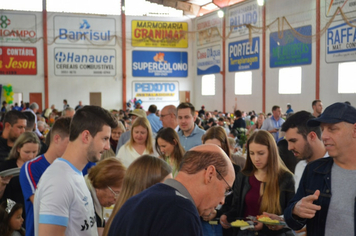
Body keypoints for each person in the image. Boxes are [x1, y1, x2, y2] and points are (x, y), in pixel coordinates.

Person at [107, 144, 235, 236]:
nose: (222, 201)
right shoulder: (181, 212)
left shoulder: (137, 200)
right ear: (210, 174)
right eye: (226, 189)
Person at [33, 105, 117, 236]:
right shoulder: (59, 181)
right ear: (86, 136)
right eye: (105, 139)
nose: (107, 147)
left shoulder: (74, 174)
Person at [284, 102, 356, 236]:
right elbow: (291, 218)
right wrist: (296, 210)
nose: (324, 136)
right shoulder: (313, 170)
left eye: (332, 129)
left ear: (354, 130)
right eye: (323, 130)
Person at [220, 130, 295, 236]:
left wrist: (265, 225)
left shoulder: (286, 178)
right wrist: (227, 216)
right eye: (252, 153)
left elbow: (290, 215)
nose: (256, 158)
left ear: (271, 152)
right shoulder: (243, 176)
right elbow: (236, 207)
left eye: (261, 153)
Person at [19, 117, 71, 236]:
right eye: (70, 143)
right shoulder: (31, 167)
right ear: (57, 138)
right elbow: (42, 205)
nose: (74, 148)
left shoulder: (73, 167)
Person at [102, 155, 173, 236]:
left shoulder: (121, 216)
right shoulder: (136, 223)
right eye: (165, 187)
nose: (171, 192)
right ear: (147, 187)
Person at [281, 111, 326, 191]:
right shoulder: (300, 167)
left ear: (312, 136)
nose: (289, 148)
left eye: (293, 141)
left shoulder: (337, 165)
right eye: (288, 142)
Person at [0, 132, 40, 211]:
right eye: (27, 152)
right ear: (18, 149)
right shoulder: (7, 167)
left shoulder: (39, 167)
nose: (31, 156)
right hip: (11, 211)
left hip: (33, 210)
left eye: (34, 152)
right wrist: (2, 184)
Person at [85, 158, 126, 233]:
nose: (116, 200)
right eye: (116, 193)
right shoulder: (84, 199)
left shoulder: (97, 198)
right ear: (100, 185)